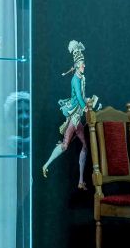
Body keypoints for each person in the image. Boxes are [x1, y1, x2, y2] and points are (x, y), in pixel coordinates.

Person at [41, 39, 99, 187]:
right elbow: (78, 97)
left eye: (83, 63)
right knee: (65, 145)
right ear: (77, 65)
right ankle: (46, 165)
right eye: (82, 64)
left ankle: (80, 181)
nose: (84, 65)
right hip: (74, 117)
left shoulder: (81, 77)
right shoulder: (75, 79)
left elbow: (82, 96)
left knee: (85, 146)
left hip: (77, 117)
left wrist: (91, 102)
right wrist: (85, 107)